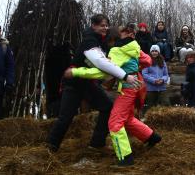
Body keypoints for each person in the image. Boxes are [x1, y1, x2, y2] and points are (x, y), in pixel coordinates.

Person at [69, 23, 161, 166]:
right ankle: (151, 137)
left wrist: (77, 72)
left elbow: (104, 71)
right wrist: (135, 67)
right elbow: (148, 60)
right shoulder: (134, 45)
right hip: (137, 86)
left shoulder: (117, 49)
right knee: (128, 118)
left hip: (128, 87)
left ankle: (125, 158)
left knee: (115, 123)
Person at [47, 14, 140, 153]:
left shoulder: (101, 41)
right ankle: (51, 147)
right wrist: (125, 76)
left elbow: (108, 63)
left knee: (107, 107)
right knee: (66, 117)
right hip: (74, 83)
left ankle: (97, 144)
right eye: (102, 25)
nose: (105, 28)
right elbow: (101, 62)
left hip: (88, 84)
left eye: (107, 25)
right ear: (94, 25)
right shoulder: (89, 41)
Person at [142, 45, 170, 113]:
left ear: (158, 52)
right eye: (153, 51)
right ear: (150, 52)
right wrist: (154, 81)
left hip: (162, 87)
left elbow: (166, 74)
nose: (154, 53)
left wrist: (162, 80)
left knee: (166, 103)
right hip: (151, 88)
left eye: (156, 51)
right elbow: (144, 74)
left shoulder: (162, 62)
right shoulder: (147, 61)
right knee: (151, 106)